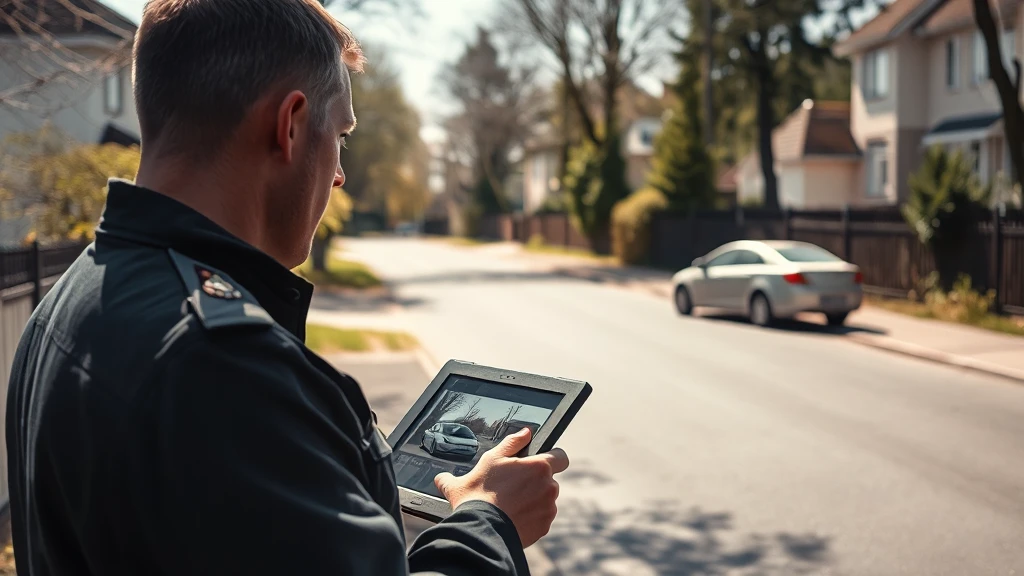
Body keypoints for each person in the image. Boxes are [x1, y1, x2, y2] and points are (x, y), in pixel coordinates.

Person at [5, 0, 570, 574]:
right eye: (341, 134)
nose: (341, 172)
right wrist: (488, 521)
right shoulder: (224, 371)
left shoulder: (70, 300)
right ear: (291, 125)